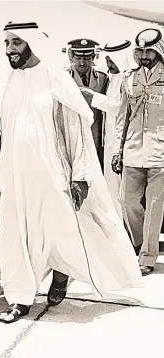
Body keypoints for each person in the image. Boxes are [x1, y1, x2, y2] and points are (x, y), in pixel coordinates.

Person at [0, 21, 142, 323]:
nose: (9, 49)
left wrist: (79, 175)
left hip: (51, 175)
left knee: (60, 233)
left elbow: (77, 132)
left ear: (31, 42)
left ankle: (60, 274)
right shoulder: (6, 81)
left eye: (16, 42)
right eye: (6, 43)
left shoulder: (55, 80)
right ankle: (19, 298)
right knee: (15, 236)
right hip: (14, 177)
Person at [113, 28, 164, 275]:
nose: (144, 56)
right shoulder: (127, 78)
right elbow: (122, 117)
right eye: (140, 51)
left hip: (160, 152)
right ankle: (140, 243)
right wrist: (117, 151)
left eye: (149, 51)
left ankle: (147, 257)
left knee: (155, 206)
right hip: (133, 148)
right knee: (127, 200)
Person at [79, 39, 135, 215]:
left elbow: (119, 107)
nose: (108, 64)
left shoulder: (129, 79)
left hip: (121, 141)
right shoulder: (111, 78)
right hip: (107, 141)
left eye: (111, 60)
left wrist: (93, 97)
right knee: (110, 189)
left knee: (122, 192)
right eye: (107, 60)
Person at [67, 39, 109, 169]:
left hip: (94, 132)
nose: (82, 62)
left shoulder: (102, 77)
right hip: (71, 131)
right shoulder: (64, 77)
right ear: (72, 57)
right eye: (78, 58)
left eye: (87, 58)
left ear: (93, 58)